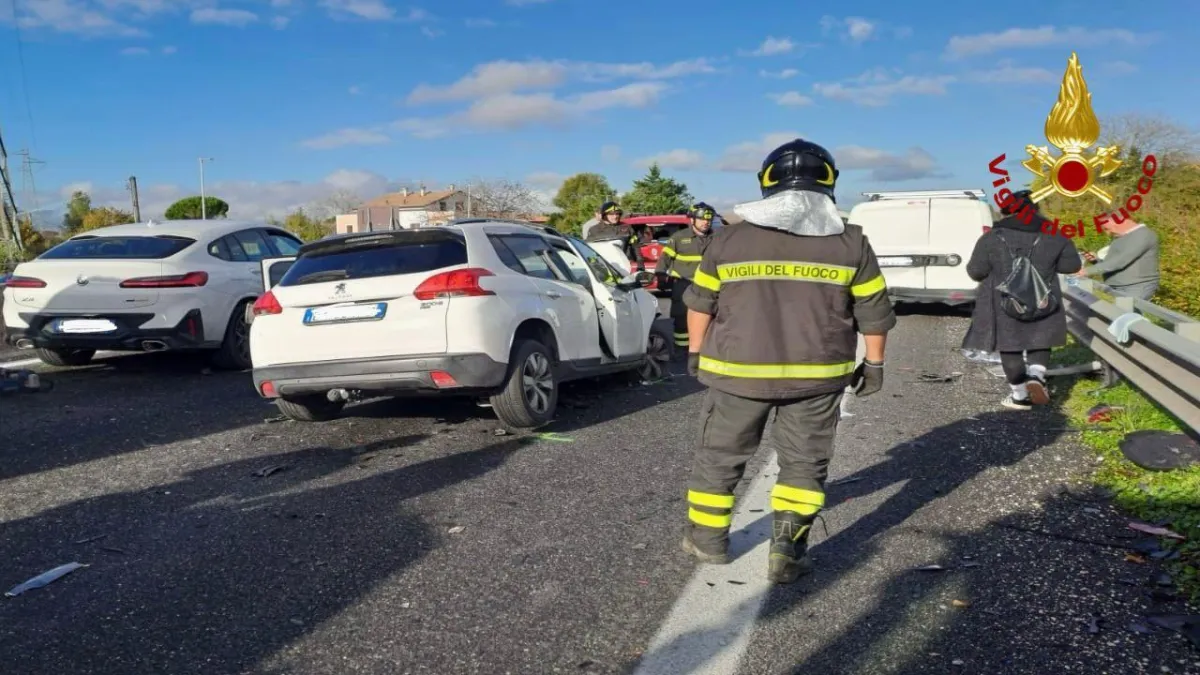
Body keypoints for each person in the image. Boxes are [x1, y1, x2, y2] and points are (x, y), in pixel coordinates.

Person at [679, 138, 897, 584]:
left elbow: (699, 304)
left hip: (737, 375)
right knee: (804, 463)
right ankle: (787, 550)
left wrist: (696, 352)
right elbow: (874, 311)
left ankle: (708, 540)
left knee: (720, 457)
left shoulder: (727, 239)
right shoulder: (850, 241)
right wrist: (873, 364)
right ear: (829, 182)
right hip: (816, 379)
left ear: (767, 182)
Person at [961, 189, 1082, 410]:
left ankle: (1019, 396)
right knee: (1040, 339)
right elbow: (1071, 266)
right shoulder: (1056, 234)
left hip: (1003, 302)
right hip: (1044, 299)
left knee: (1009, 346)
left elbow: (975, 271)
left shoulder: (992, 238)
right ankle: (1036, 375)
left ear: (1006, 212)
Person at [655, 202, 717, 353]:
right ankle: (682, 350)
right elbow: (665, 258)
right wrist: (661, 276)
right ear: (692, 220)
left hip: (708, 286)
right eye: (702, 219)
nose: (706, 223)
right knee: (681, 318)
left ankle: (705, 349)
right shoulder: (679, 238)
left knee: (709, 316)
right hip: (683, 284)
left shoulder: (716, 238)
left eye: (708, 220)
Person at [1076, 217, 1160, 301]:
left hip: (1135, 286)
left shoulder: (1143, 235)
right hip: (1119, 286)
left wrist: (1086, 271)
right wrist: (1096, 260)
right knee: (1115, 312)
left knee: (1127, 313)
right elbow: (1115, 261)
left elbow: (1121, 261)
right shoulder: (1122, 236)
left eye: (1107, 228)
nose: (1108, 233)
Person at [585, 200, 645, 272]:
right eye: (612, 214)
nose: (615, 216)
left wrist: (640, 264)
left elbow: (636, 247)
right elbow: (589, 250)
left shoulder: (627, 228)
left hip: (624, 266)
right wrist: (594, 266)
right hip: (603, 267)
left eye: (617, 214)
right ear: (604, 215)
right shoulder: (594, 230)